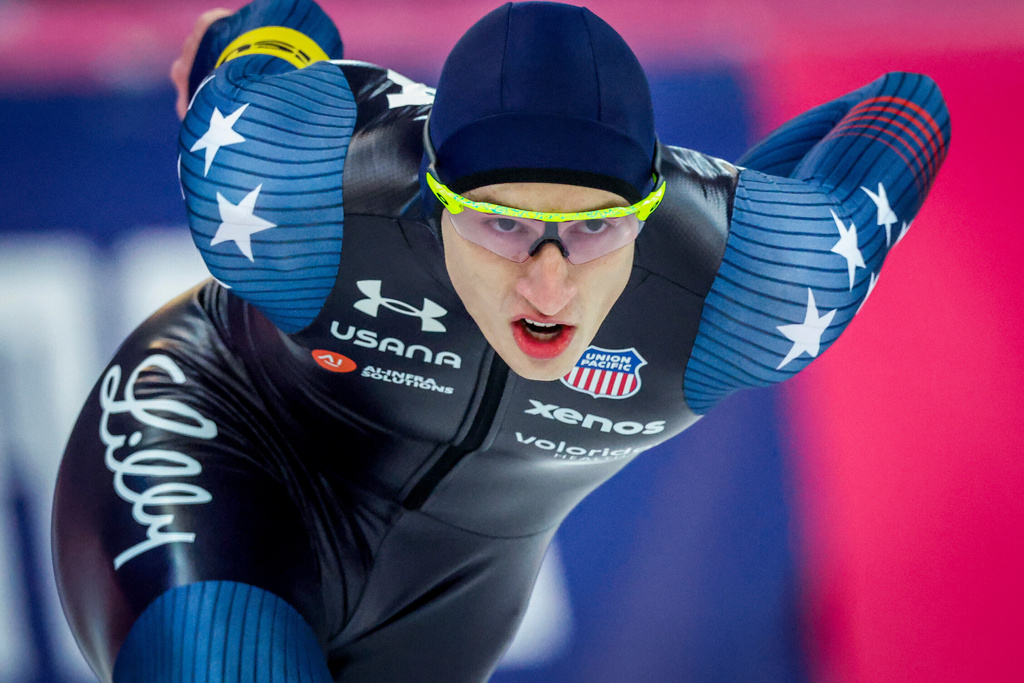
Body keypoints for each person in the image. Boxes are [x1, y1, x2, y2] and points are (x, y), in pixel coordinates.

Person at [51, 0, 950, 681]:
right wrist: (251, 37)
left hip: (452, 594)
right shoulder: (294, 192)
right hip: (224, 460)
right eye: (501, 223)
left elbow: (910, 105)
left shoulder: (752, 286)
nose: (548, 287)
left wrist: (744, 206)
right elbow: (278, 30)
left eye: (594, 230)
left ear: (645, 211)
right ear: (433, 196)